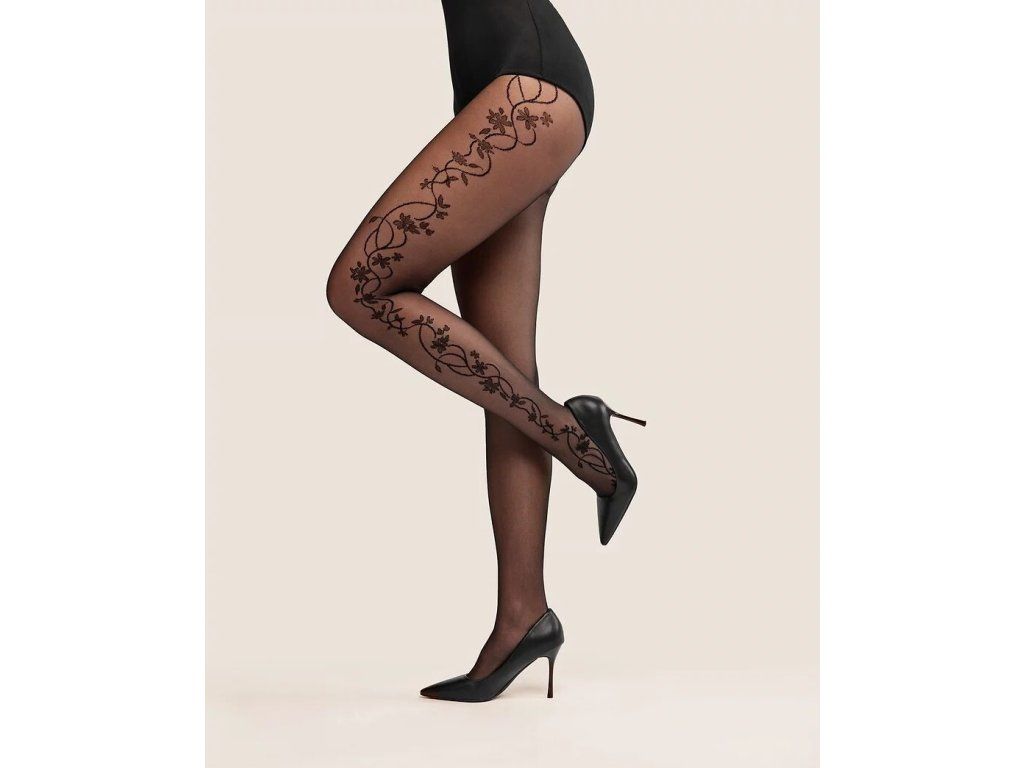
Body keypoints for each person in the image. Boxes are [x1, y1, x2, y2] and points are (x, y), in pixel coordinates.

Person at [326, 0, 645, 702]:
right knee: (502, 373)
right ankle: (523, 617)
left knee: (360, 286)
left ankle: (578, 437)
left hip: (529, 90)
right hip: (499, 89)